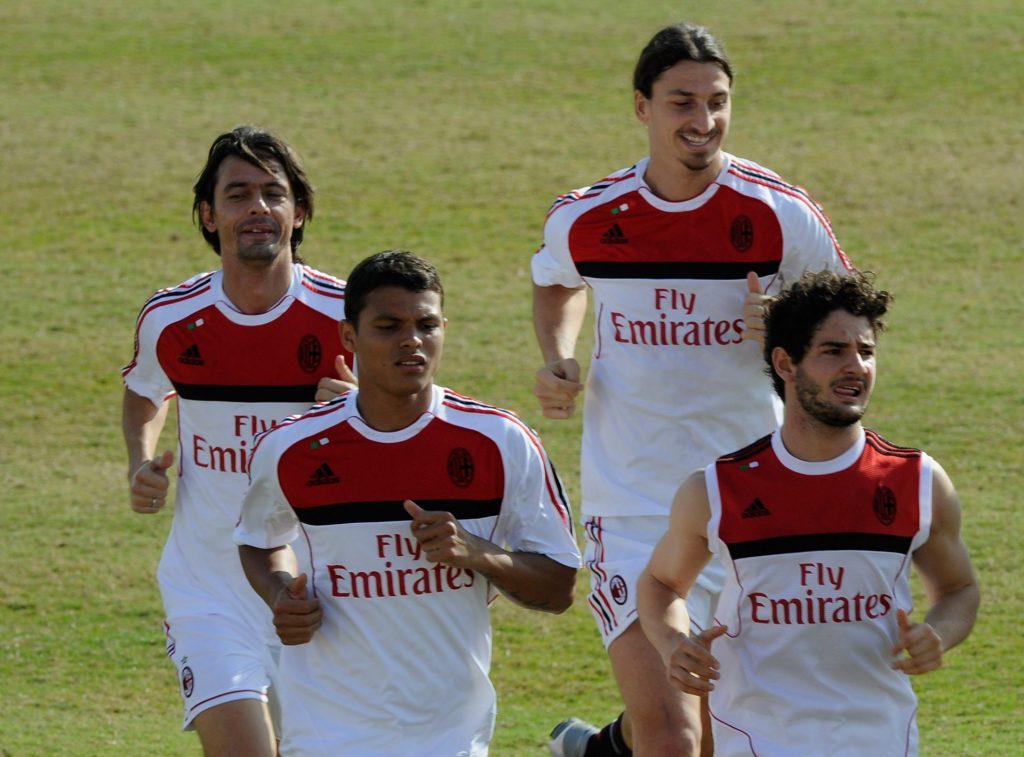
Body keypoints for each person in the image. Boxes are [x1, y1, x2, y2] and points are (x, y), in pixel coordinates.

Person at [533, 22, 853, 756]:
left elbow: (850, 332)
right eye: (682, 102)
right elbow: (554, 283)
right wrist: (559, 355)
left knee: (729, 731)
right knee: (676, 736)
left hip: (753, 505)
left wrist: (785, 323)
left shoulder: (778, 214)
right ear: (642, 107)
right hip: (633, 505)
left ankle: (598, 750)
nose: (702, 121)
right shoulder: (588, 218)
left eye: (717, 102)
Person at [234, 250, 581, 756]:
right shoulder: (291, 449)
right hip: (325, 732)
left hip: (449, 736)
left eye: (426, 324)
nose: (411, 340)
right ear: (349, 337)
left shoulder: (500, 442)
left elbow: (559, 588)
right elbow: (256, 541)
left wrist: (476, 552)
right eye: (389, 326)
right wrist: (279, 591)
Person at [637, 270, 979, 756]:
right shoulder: (716, 490)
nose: (856, 367)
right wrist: (674, 643)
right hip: (757, 742)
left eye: (866, 352)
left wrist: (938, 635)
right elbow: (660, 584)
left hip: (878, 741)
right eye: (833, 351)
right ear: (786, 363)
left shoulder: (917, 482)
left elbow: (959, 589)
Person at [121, 125, 355, 756]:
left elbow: (405, 425)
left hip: (317, 594)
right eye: (238, 193)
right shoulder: (170, 318)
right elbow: (146, 391)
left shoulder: (348, 317)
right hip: (209, 590)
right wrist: (143, 461)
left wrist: (354, 413)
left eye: (273, 193)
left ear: (297, 211)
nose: (257, 207)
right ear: (208, 212)